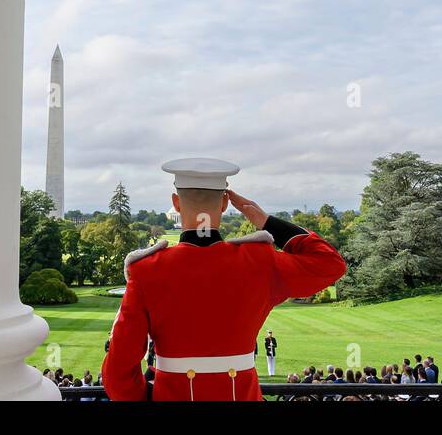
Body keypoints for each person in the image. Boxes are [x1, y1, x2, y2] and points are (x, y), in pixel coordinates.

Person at [101, 158, 346, 401]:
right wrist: (266, 221)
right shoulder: (259, 261)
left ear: (176, 203)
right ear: (225, 203)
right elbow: (329, 264)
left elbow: (118, 373)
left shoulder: (147, 270)